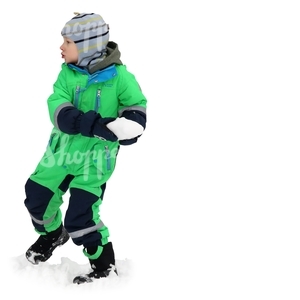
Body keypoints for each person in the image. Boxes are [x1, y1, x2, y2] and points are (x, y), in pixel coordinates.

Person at [24, 12, 147, 284]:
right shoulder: (67, 75)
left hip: (95, 160)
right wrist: (91, 124)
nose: (61, 47)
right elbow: (58, 108)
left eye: (67, 41)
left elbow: (136, 110)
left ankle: (103, 263)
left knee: (81, 214)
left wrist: (128, 127)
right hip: (60, 153)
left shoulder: (120, 78)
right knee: (36, 197)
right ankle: (52, 234)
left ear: (87, 46)